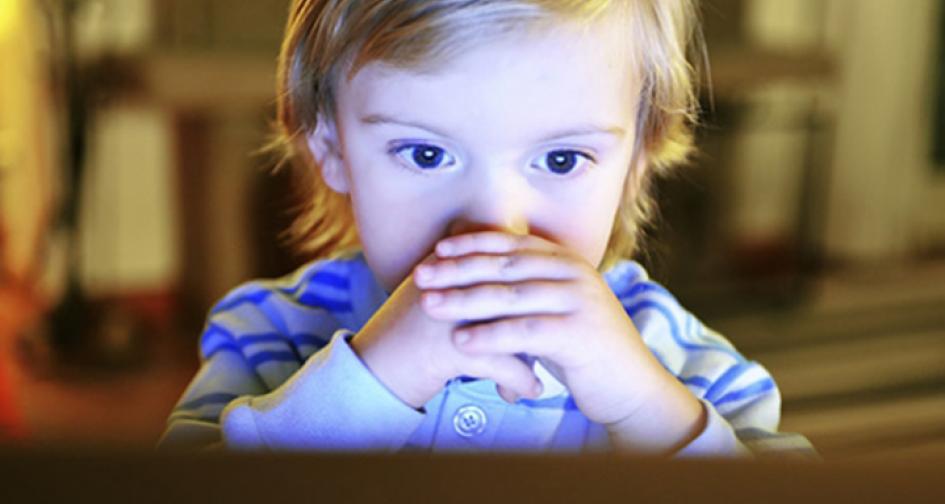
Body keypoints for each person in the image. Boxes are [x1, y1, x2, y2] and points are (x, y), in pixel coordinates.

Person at [159, 0, 817, 458]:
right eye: (425, 154)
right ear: (329, 147)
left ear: (637, 162)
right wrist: (374, 380)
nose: (495, 227)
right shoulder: (268, 337)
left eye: (560, 160)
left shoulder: (686, 367)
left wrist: (645, 409)